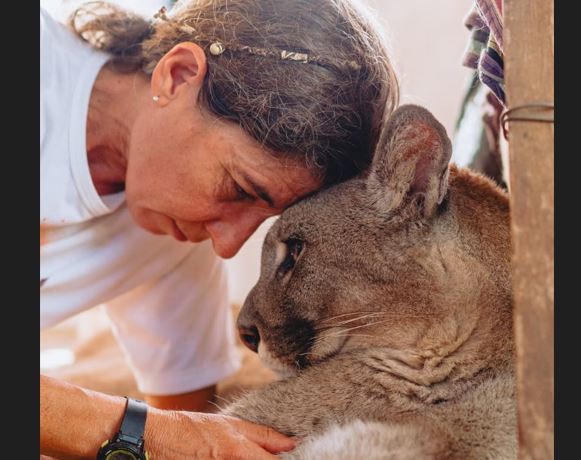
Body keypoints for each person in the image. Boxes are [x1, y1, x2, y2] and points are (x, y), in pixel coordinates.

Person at [40, 0, 398, 458]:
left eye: (264, 219)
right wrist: (142, 432)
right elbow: (172, 435)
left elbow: (194, 422)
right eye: (241, 187)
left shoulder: (174, 238)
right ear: (179, 74)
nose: (227, 245)